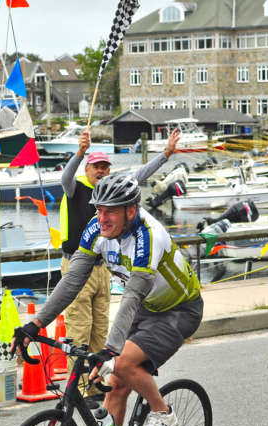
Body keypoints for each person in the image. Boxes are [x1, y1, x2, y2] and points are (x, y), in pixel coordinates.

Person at [15, 173, 203, 426]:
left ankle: (163, 415)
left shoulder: (148, 236)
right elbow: (72, 282)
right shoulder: (96, 230)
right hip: (147, 308)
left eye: (110, 211)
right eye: (99, 210)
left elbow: (130, 296)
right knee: (115, 386)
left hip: (179, 310)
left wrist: (111, 350)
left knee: (122, 364)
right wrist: (35, 324)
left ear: (131, 210)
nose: (102, 218)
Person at [58, 128, 181, 399]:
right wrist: (79, 153)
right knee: (79, 328)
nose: (101, 171)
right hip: (78, 266)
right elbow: (65, 176)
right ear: (87, 169)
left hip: (102, 269)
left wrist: (166, 154)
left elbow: (140, 176)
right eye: (96, 167)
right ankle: (78, 388)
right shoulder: (75, 189)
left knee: (100, 329)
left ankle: (95, 383)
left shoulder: (115, 191)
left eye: (105, 167)